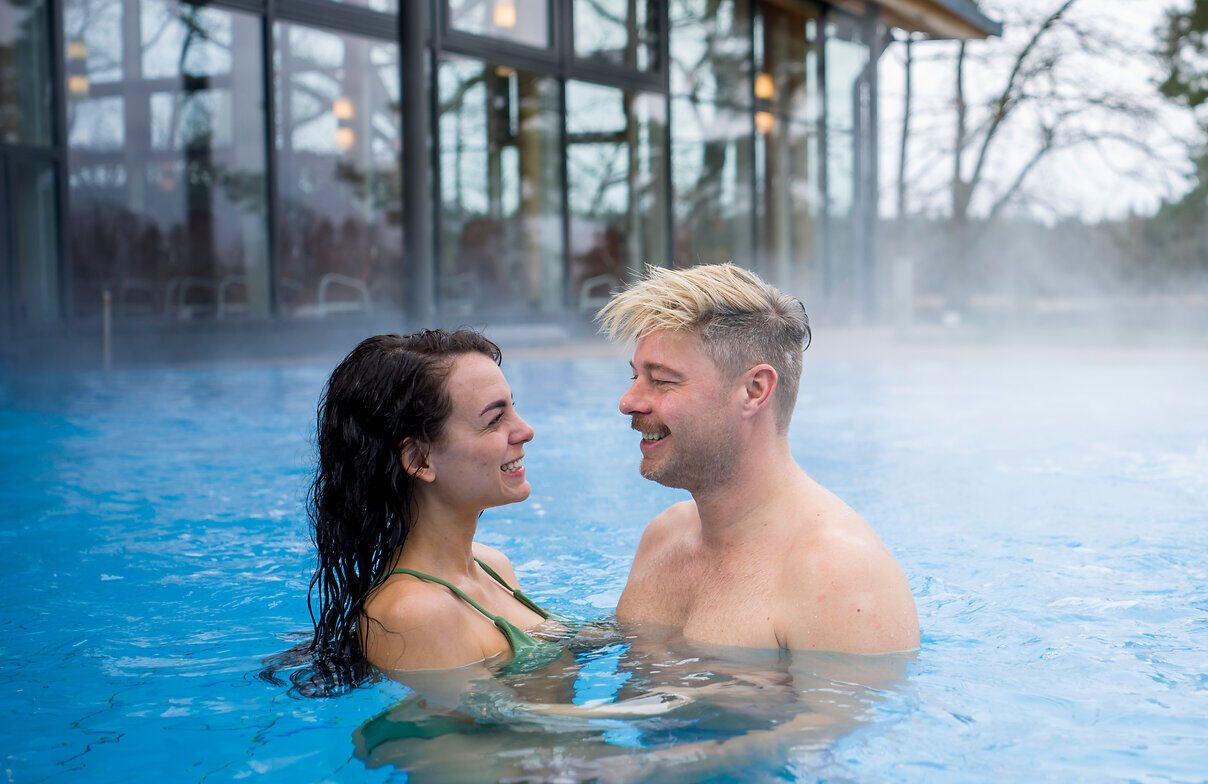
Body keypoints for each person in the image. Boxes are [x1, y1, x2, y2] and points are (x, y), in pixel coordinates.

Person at [599, 262, 920, 653]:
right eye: (634, 377)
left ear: (754, 390)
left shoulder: (839, 579)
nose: (628, 402)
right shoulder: (664, 537)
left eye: (663, 380)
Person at [302, 328, 560, 689]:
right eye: (494, 420)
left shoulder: (491, 565)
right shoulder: (413, 614)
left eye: (513, 408)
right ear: (419, 459)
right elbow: (475, 738)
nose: (525, 430)